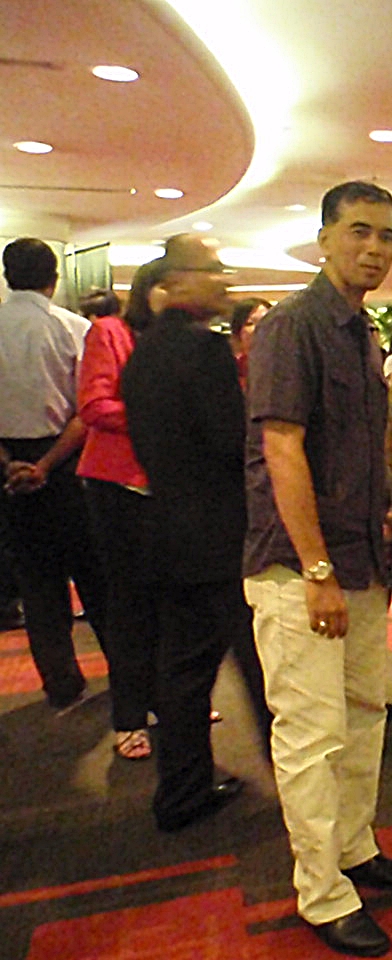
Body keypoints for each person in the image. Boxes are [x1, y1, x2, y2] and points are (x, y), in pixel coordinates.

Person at [243, 182, 392, 959]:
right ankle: (321, 891)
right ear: (323, 239)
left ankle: (353, 847)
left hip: (360, 558)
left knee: (365, 715)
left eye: (387, 234)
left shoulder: (362, 331)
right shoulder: (294, 325)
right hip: (298, 566)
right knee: (312, 735)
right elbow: (282, 449)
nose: (374, 248)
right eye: (359, 232)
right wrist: (315, 569)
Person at [121, 235, 262, 830]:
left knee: (183, 675)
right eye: (213, 270)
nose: (224, 279)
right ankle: (309, 789)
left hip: (168, 534)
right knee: (267, 667)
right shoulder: (203, 351)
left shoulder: (143, 353)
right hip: (223, 537)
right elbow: (233, 444)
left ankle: (181, 795)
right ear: (174, 281)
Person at [0, 238, 113, 712]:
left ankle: (61, 684)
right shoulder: (75, 328)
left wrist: (10, 464)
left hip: (8, 466)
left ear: (7, 276)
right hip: (68, 461)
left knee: (37, 582)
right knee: (96, 576)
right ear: (55, 277)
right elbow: (87, 411)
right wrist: (46, 465)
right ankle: (126, 673)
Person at [76, 260, 161, 760]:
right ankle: (129, 717)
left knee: (167, 603)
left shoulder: (180, 342)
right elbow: (93, 405)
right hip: (117, 484)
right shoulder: (110, 332)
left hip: (163, 486)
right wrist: (160, 416)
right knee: (129, 605)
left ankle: (166, 700)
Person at [229, 297, 269, 391]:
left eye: (265, 321)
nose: (259, 328)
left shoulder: (287, 367)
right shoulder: (232, 369)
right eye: (250, 323)